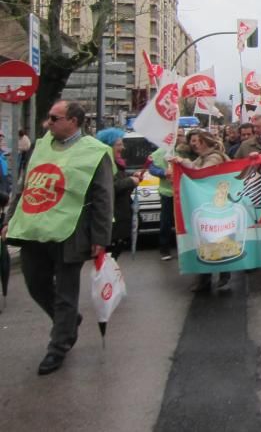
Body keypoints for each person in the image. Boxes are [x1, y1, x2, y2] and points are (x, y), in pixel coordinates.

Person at [3, 101, 114, 375]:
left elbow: (103, 196)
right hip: (34, 229)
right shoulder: (40, 147)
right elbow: (26, 185)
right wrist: (10, 220)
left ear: (74, 121)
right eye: (49, 118)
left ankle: (59, 345)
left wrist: (100, 237)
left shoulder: (96, 152)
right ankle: (68, 321)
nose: (48, 123)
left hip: (71, 232)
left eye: (55, 118)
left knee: (66, 293)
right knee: (35, 283)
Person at [175, 130, 232, 293]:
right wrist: (180, 161)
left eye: (195, 140)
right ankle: (206, 278)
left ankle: (220, 278)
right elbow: (194, 167)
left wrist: (182, 162)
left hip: (216, 207)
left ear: (204, 141)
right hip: (208, 205)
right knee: (206, 241)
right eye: (191, 140)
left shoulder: (213, 157)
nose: (192, 143)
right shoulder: (203, 157)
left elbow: (202, 174)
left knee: (218, 240)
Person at [95, 128, 139, 261]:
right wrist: (130, 181)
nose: (123, 147)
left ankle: (110, 278)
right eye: (119, 144)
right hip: (112, 217)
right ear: (109, 146)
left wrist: (132, 177)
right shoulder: (104, 163)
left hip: (120, 214)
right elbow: (109, 187)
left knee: (112, 257)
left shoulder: (116, 162)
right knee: (107, 257)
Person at [147, 127, 190, 261]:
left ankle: (186, 248)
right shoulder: (162, 151)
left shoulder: (188, 151)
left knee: (186, 221)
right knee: (166, 221)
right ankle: (164, 248)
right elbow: (152, 168)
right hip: (168, 193)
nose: (179, 138)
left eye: (182, 135)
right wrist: (163, 173)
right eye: (177, 136)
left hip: (186, 192)